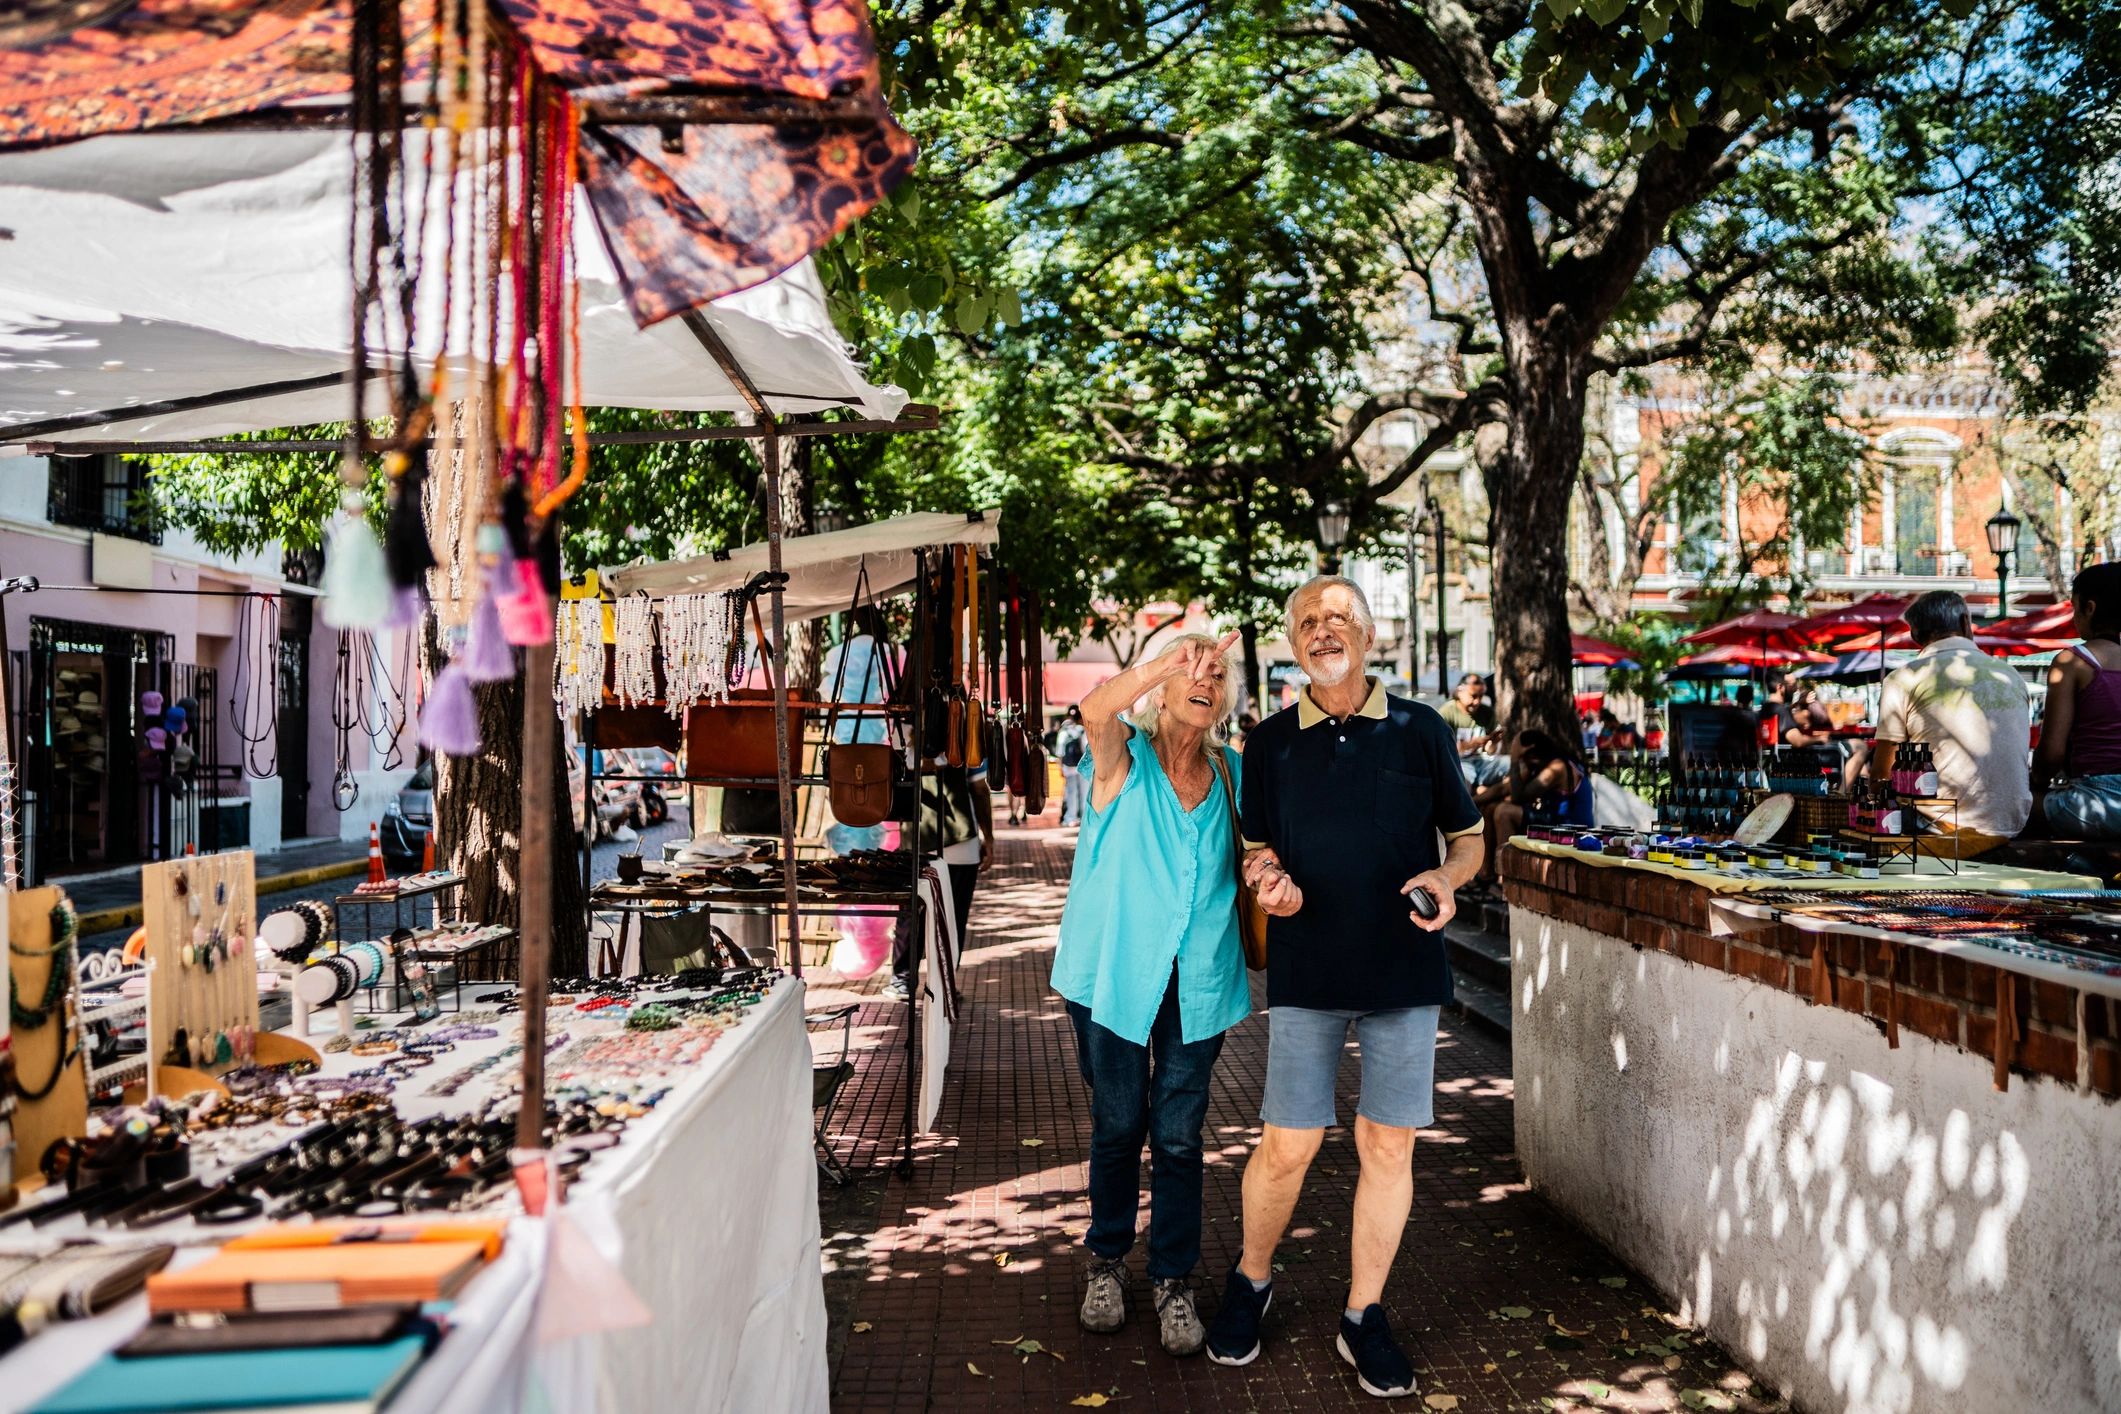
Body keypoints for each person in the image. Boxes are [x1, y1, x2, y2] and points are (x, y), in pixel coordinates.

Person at [1204, 576, 1483, 1400]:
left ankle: (1364, 1314)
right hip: (1308, 966)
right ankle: (1252, 1280)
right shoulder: (1269, 744)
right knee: (1288, 1142)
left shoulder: (1420, 729)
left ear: (1366, 633)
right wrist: (1267, 880)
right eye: (1306, 622)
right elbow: (1254, 849)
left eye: (1337, 619)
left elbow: (1468, 838)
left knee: (1387, 1144)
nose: (1321, 631)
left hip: (1404, 967)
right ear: (1293, 642)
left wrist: (1447, 874)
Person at [1050, 631, 1252, 1358]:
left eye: (1216, 672)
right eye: (1190, 668)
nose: (1205, 679)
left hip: (1199, 979)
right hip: (1112, 976)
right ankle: (1105, 1261)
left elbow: (1263, 853)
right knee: (1116, 1124)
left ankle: (1171, 1279)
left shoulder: (1233, 772)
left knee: (1176, 1135)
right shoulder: (1122, 758)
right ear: (1162, 685)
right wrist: (1165, 658)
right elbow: (1095, 713)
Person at [1871, 590, 2031, 856]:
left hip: (1939, 825)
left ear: (1915, 636)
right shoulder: (2010, 675)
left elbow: (1881, 776)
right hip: (2011, 822)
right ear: (1965, 623)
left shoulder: (1904, 679)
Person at [2033, 563, 2121, 837]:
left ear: (2090, 608)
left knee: (2011, 806)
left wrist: (2035, 782)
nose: (2073, 618)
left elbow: (2051, 755)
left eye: (2074, 607)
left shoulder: (2072, 662)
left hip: (2098, 802)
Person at [820, 606, 900, 856]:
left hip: (847, 733)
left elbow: (828, 692)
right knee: (873, 787)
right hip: (877, 736)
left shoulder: (839, 652)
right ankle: (871, 851)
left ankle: (851, 851)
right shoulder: (890, 652)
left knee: (847, 786)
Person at [1477, 728, 1594, 884]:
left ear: (1532, 752)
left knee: (1504, 812)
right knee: (1490, 808)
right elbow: (1503, 788)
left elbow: (1518, 798)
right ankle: (1485, 874)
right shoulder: (1537, 765)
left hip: (1569, 828)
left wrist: (1514, 760)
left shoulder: (1557, 767)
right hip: (1551, 820)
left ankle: (1506, 878)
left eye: (1522, 754)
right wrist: (1471, 801)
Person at [1440, 674, 1507, 793]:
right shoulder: (1447, 712)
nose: (1477, 701)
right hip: (1460, 763)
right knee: (1462, 780)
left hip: (1483, 762)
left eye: (1481, 696)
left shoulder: (1487, 712)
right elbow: (1442, 750)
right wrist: (1472, 744)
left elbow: (1490, 751)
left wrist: (1493, 743)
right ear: (1460, 691)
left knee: (1510, 764)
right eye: (1473, 696)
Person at [1055, 704, 1089, 827]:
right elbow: (1087, 750)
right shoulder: (1083, 730)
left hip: (1068, 767)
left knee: (1071, 792)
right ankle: (1084, 817)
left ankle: (1070, 817)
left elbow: (1060, 752)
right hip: (1082, 767)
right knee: (1084, 792)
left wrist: (1060, 767)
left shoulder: (1064, 731)